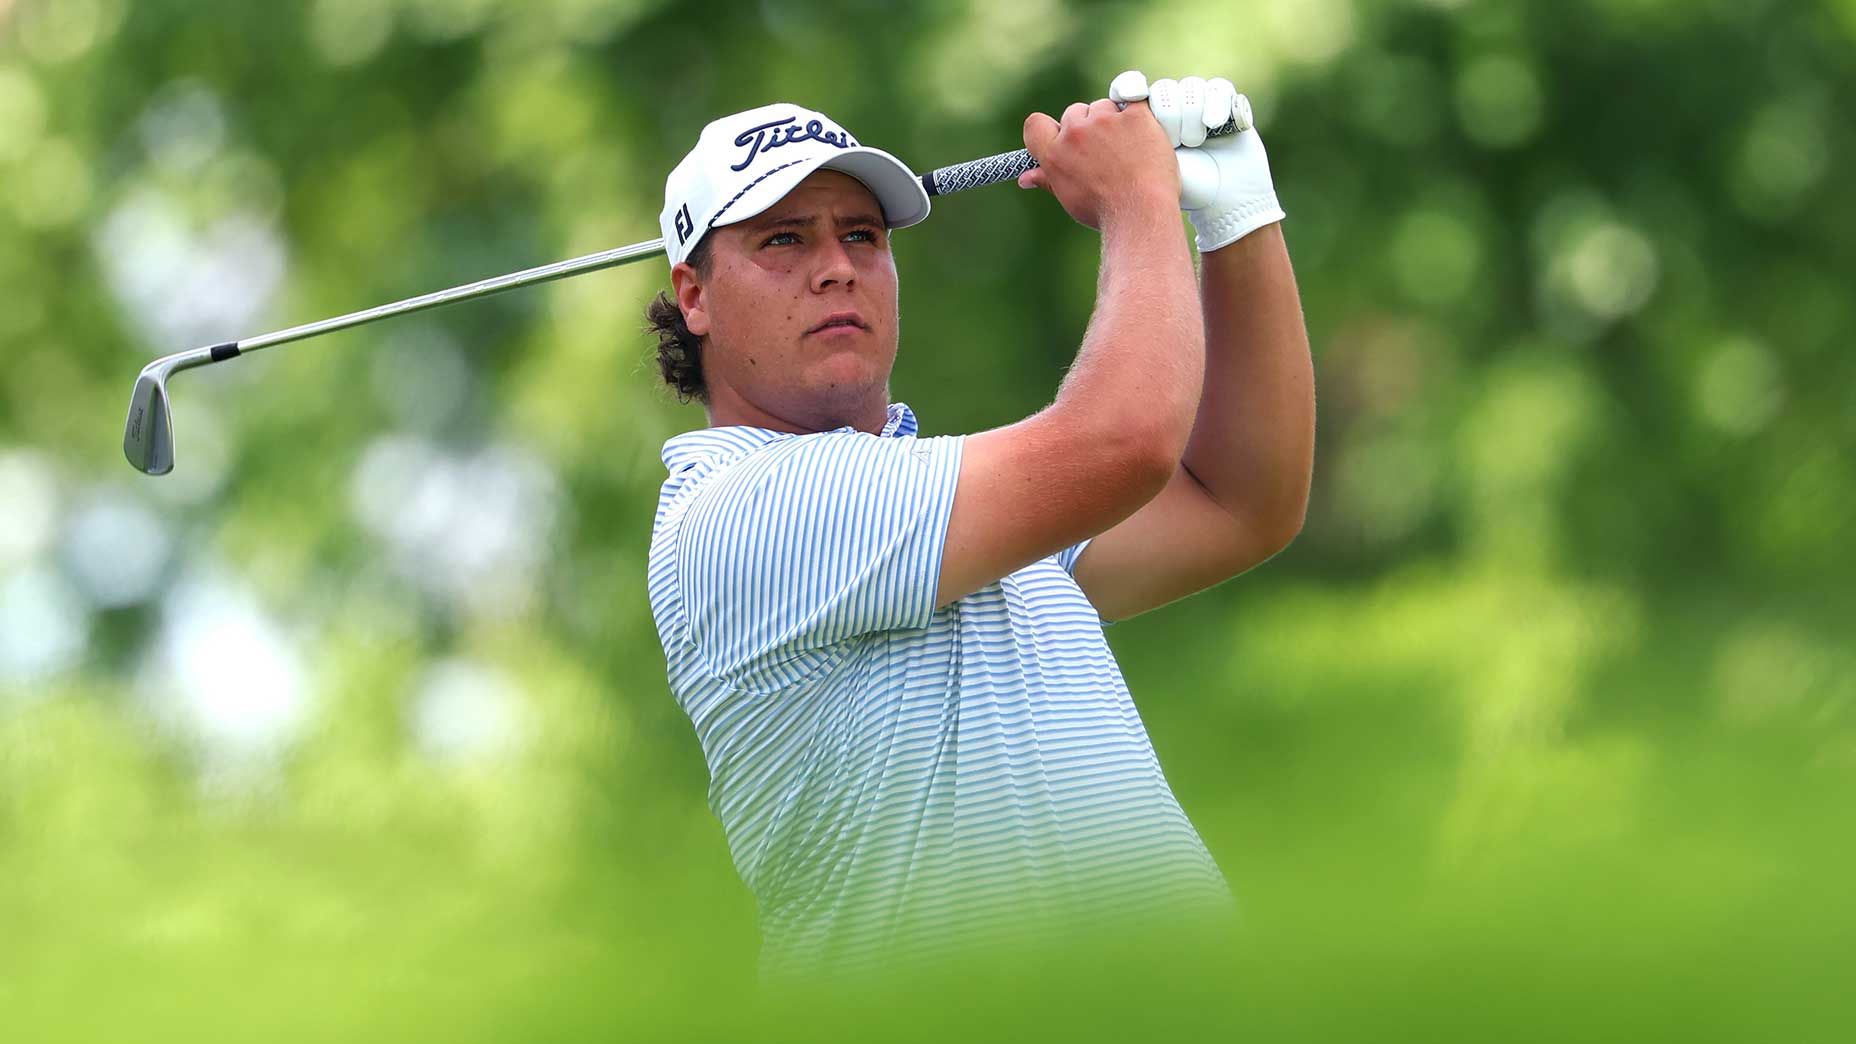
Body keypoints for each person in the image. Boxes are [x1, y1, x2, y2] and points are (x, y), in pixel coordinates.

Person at [644, 71, 1315, 981]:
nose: (837, 265)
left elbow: (1240, 503)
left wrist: (1238, 218)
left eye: (861, 235)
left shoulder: (952, 506)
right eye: (783, 239)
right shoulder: (739, 513)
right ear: (695, 296)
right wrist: (1138, 198)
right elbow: (1124, 443)